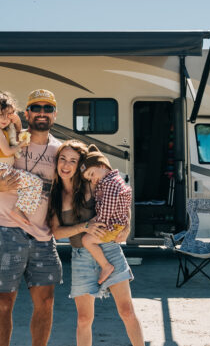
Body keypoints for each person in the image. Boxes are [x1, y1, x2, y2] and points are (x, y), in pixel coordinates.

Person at [0, 89, 63, 346]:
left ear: (55, 114)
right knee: (3, 302)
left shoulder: (59, 149)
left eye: (48, 108)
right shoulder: (10, 137)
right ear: (27, 113)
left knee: (45, 302)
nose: (42, 113)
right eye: (37, 108)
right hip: (6, 229)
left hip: (42, 233)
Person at [48, 140, 144, 346]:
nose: (66, 165)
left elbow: (121, 194)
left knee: (127, 311)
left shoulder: (90, 182)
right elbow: (56, 232)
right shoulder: (54, 194)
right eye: (62, 159)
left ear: (80, 165)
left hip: (108, 248)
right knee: (84, 319)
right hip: (81, 255)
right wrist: (84, 227)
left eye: (73, 161)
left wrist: (126, 225)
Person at [0, 91, 40, 225]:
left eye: (8, 115)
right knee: (36, 183)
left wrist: (16, 120)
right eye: (1, 115)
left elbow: (17, 130)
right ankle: (19, 209)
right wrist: (22, 144)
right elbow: (7, 151)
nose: (5, 119)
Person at [80, 145, 132, 284]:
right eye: (89, 179)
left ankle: (106, 266)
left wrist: (95, 222)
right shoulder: (115, 180)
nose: (92, 180)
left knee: (87, 240)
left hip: (112, 226)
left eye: (91, 174)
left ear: (102, 165)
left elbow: (107, 210)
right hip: (117, 223)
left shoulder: (110, 184)